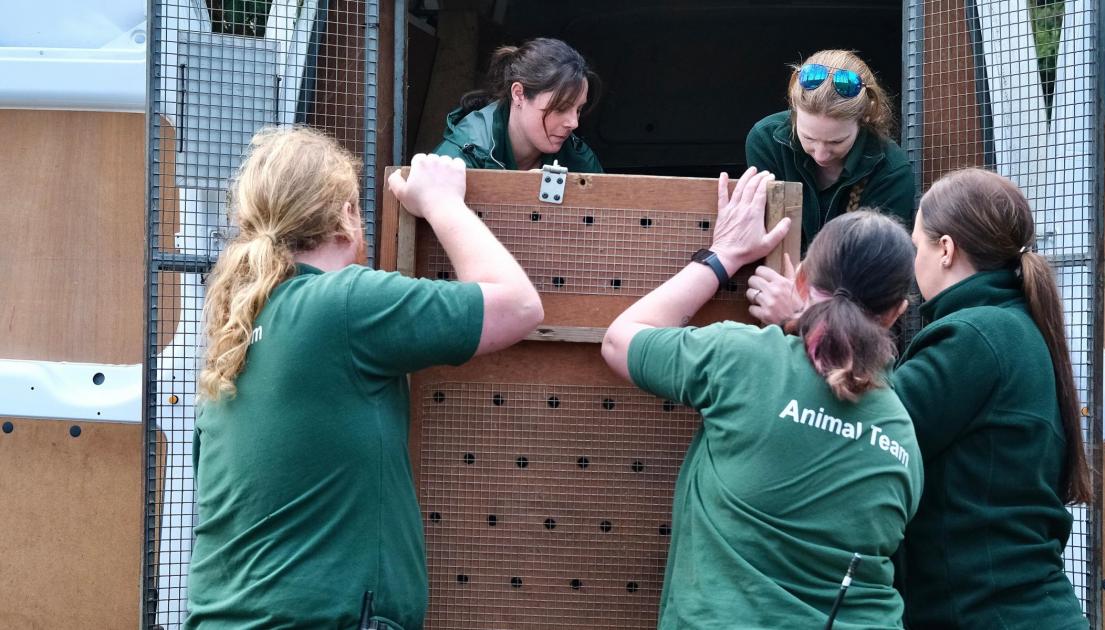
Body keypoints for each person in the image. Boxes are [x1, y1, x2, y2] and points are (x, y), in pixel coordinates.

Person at [186, 128, 543, 629]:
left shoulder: (235, 334)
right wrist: (443, 202)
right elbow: (518, 306)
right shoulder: (343, 304)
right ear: (346, 216)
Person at [602, 167, 923, 629]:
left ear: (801, 279)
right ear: (897, 313)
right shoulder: (902, 433)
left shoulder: (742, 358)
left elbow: (620, 340)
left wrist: (724, 254)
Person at [892, 168, 1091, 629]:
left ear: (945, 250)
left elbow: (870, 431)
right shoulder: (1012, 324)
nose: (912, 260)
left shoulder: (973, 337)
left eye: (917, 244)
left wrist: (815, 331)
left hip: (990, 614)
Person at [746, 49, 915, 249]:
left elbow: (877, 262)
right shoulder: (766, 141)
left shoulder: (892, 171)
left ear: (865, 119)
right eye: (808, 138)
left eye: (836, 142)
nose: (821, 155)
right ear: (794, 108)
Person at [432, 37, 602, 172]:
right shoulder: (463, 155)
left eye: (578, 109)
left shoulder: (577, 156)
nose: (574, 123)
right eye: (561, 108)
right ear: (518, 94)